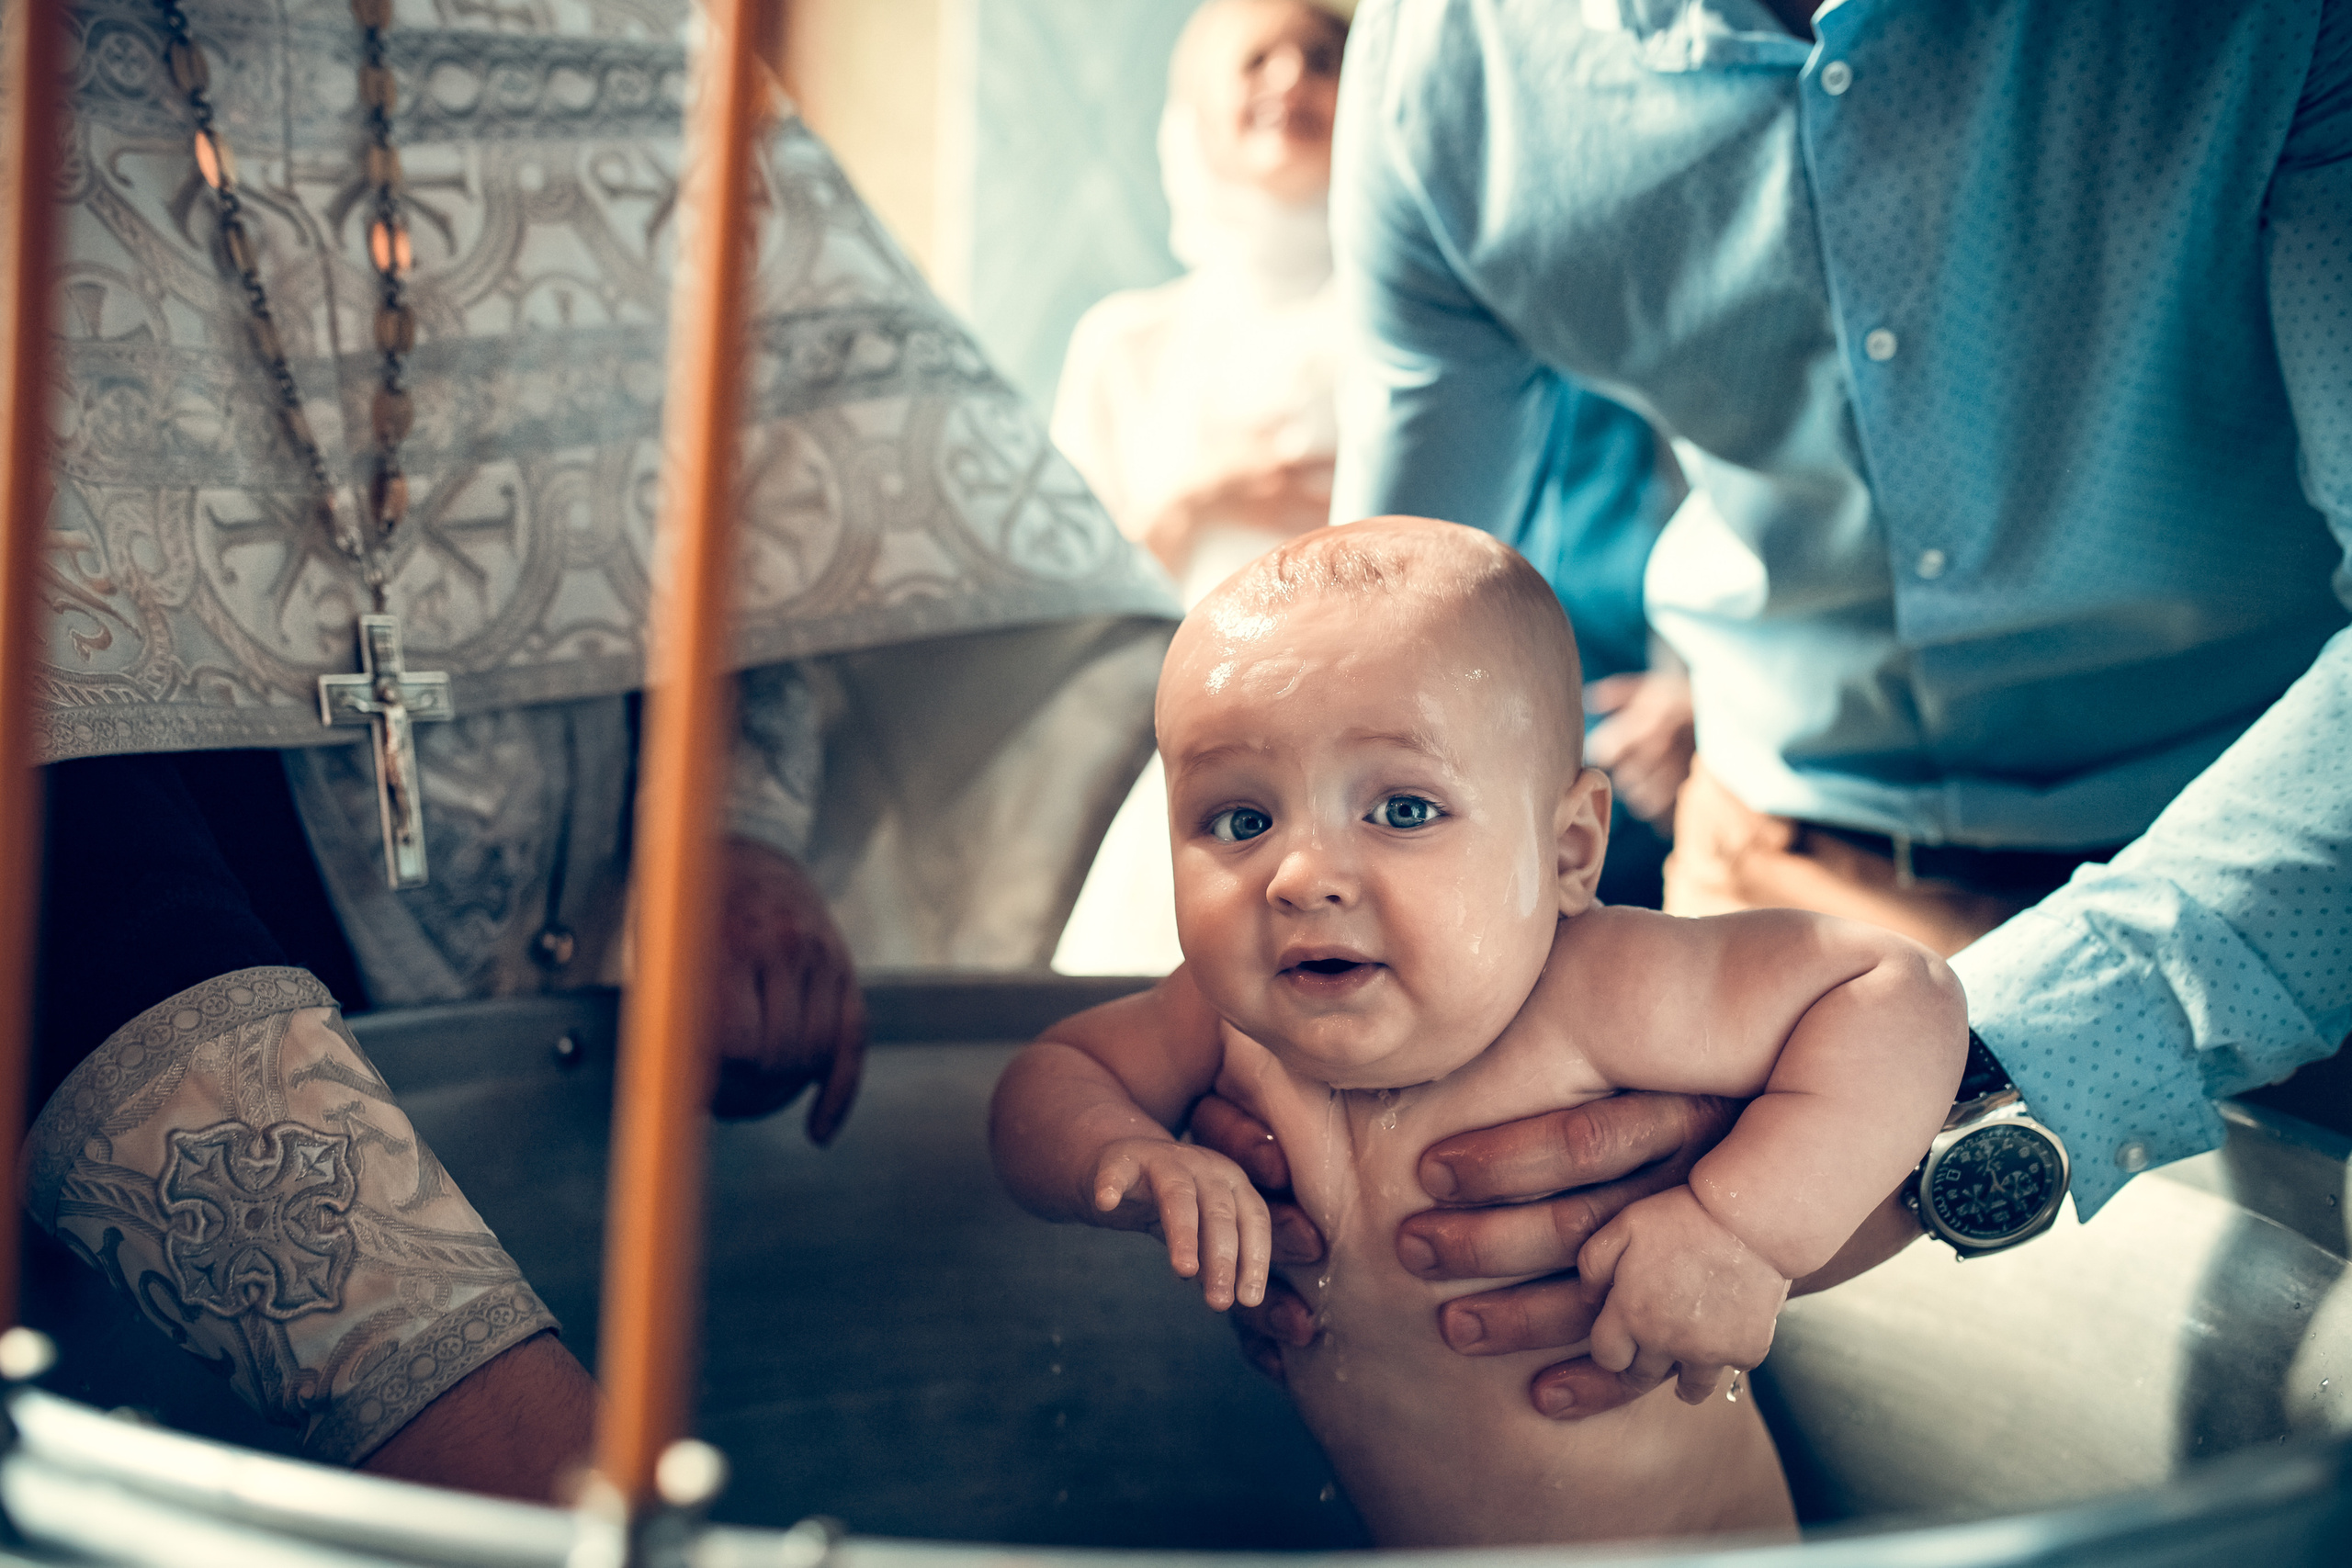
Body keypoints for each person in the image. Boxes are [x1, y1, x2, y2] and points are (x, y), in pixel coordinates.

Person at [25, 0, 1175, 1500]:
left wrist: (736, 823)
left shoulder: (603, 28)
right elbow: (63, 810)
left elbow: (771, 492)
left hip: (600, 1017)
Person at [1194, 0, 2352, 1419]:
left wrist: (1960, 1086)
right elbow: (1379, 659)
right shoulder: (1455, 63)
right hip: (1761, 897)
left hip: (2281, 870)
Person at [990, 519, 1966, 1547]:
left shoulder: (1597, 989)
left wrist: (1745, 1229)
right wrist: (1128, 1158)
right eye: (1240, 820)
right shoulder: (1224, 1023)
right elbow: (1046, 1078)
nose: (1300, 875)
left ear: (1568, 851)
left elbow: (1894, 989)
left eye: (1402, 810)